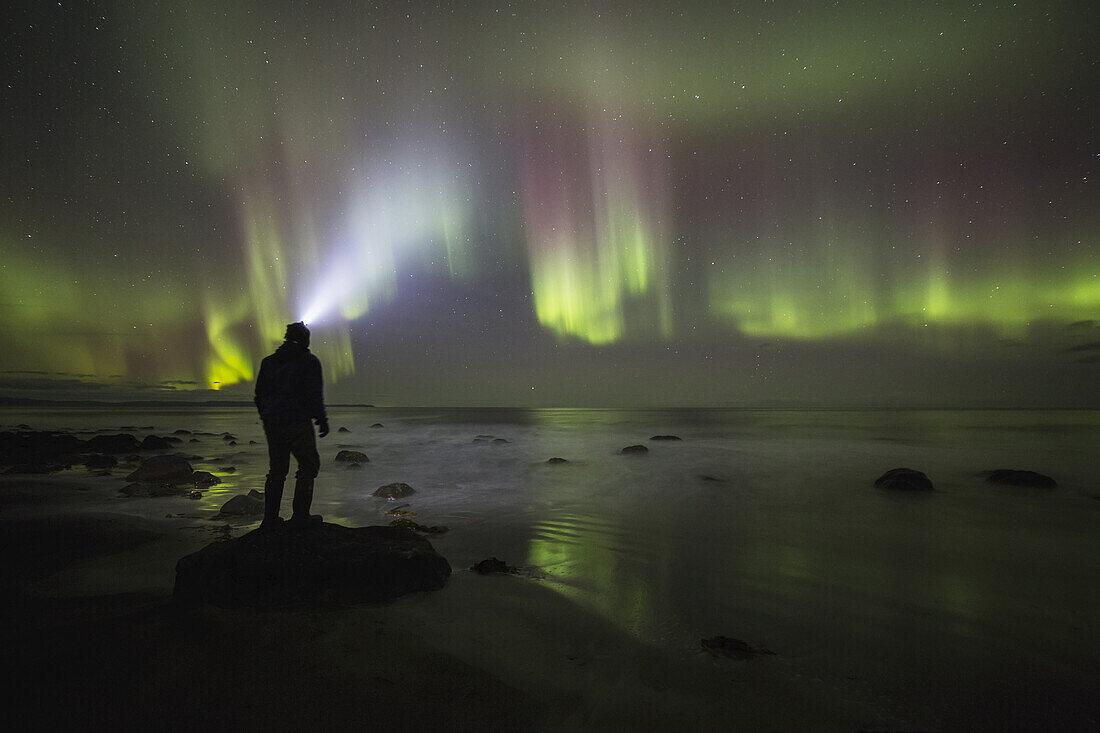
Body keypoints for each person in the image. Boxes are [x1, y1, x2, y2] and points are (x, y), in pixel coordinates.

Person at [254, 321, 330, 529]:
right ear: (305, 339)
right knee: (309, 464)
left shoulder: (268, 362)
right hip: (296, 420)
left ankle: (270, 519)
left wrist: (266, 415)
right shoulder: (309, 361)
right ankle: (300, 518)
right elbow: (314, 394)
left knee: (277, 469)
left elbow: (259, 394)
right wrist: (321, 420)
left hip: (272, 421)